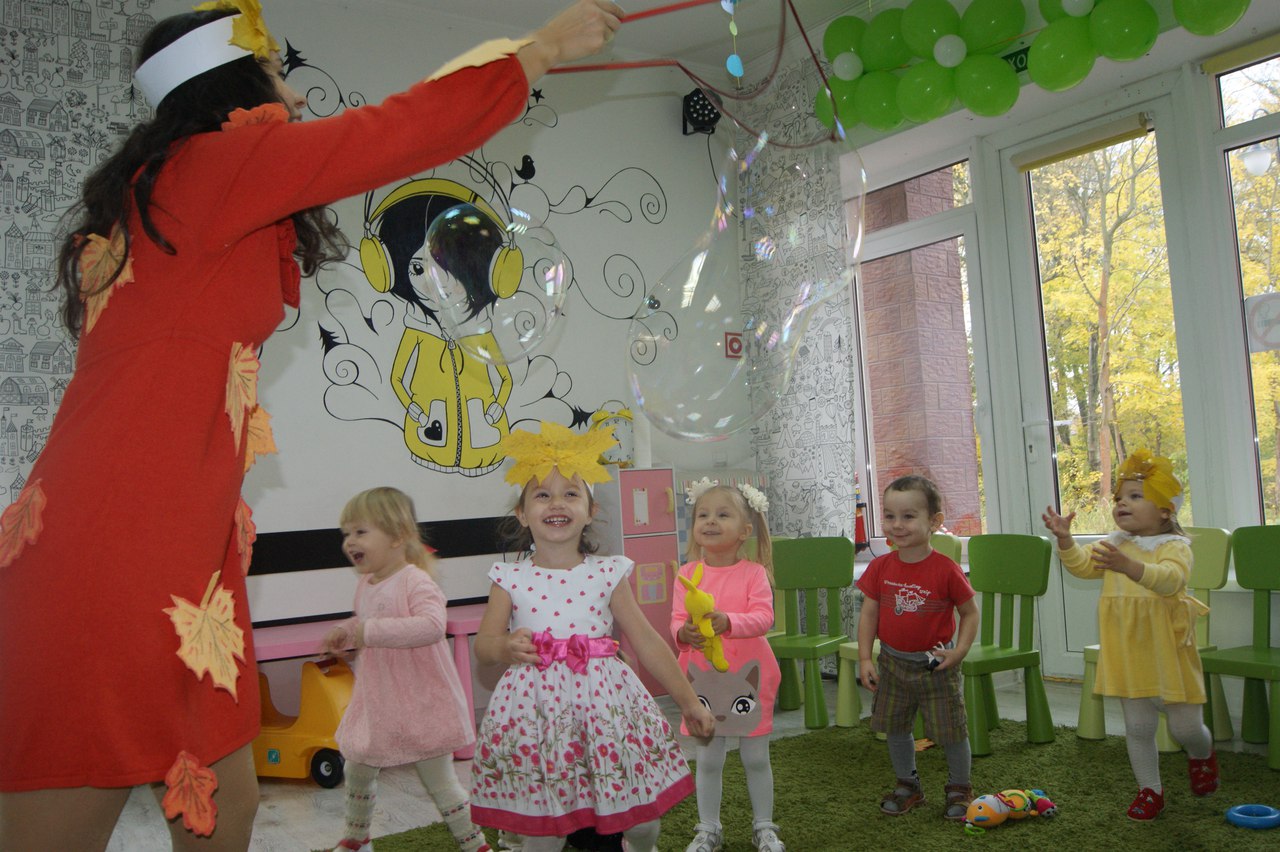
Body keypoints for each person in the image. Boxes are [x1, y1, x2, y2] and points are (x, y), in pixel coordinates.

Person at [0, 1, 622, 848]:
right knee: (71, 808)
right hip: (116, 542)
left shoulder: (180, 189)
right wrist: (539, 50)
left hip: (175, 544)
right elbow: (386, 134)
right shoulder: (208, 167)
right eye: (275, 75)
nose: (293, 94)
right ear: (233, 88)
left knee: (226, 808)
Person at [469, 423, 716, 852]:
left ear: (589, 510)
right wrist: (505, 646)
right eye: (542, 495)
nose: (556, 503)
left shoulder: (608, 572)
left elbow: (647, 641)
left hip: (607, 715)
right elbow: (484, 647)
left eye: (570, 493)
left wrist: (690, 702)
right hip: (539, 719)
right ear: (522, 514)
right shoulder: (509, 578)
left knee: (641, 821)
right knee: (546, 830)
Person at [1042, 449, 1217, 821]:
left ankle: (1202, 755)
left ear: (1165, 510)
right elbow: (1083, 567)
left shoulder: (1175, 547)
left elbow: (1171, 580)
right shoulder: (1115, 543)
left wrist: (1130, 567)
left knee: (1186, 728)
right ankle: (1150, 790)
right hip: (1126, 651)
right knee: (1138, 727)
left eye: (1135, 496)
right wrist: (1066, 541)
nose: (1122, 503)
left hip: (1168, 651)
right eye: (1120, 497)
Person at [319, 487, 490, 852]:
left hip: (420, 700)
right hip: (380, 700)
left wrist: (369, 631)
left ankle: (476, 845)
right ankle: (356, 839)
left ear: (397, 536)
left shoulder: (415, 580)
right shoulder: (366, 583)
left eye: (360, 531)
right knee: (357, 768)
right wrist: (346, 631)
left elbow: (432, 625)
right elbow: (363, 621)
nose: (350, 541)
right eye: (346, 533)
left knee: (441, 783)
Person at [671, 479, 784, 852]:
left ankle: (764, 827)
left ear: (744, 531)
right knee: (707, 758)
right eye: (703, 515)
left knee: (756, 758)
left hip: (750, 679)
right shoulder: (687, 574)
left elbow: (764, 617)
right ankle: (708, 829)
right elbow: (675, 620)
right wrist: (683, 633)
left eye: (723, 514)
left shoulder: (753, 573)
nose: (710, 521)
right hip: (702, 682)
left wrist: (729, 622)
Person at [857, 475, 978, 821]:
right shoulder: (880, 567)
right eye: (890, 516)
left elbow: (970, 613)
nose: (897, 525)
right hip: (892, 663)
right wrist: (865, 657)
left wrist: (959, 652)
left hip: (936, 665)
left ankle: (959, 788)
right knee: (896, 728)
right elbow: (869, 613)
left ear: (934, 522)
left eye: (908, 516)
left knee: (951, 731)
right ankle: (908, 785)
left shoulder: (946, 569)